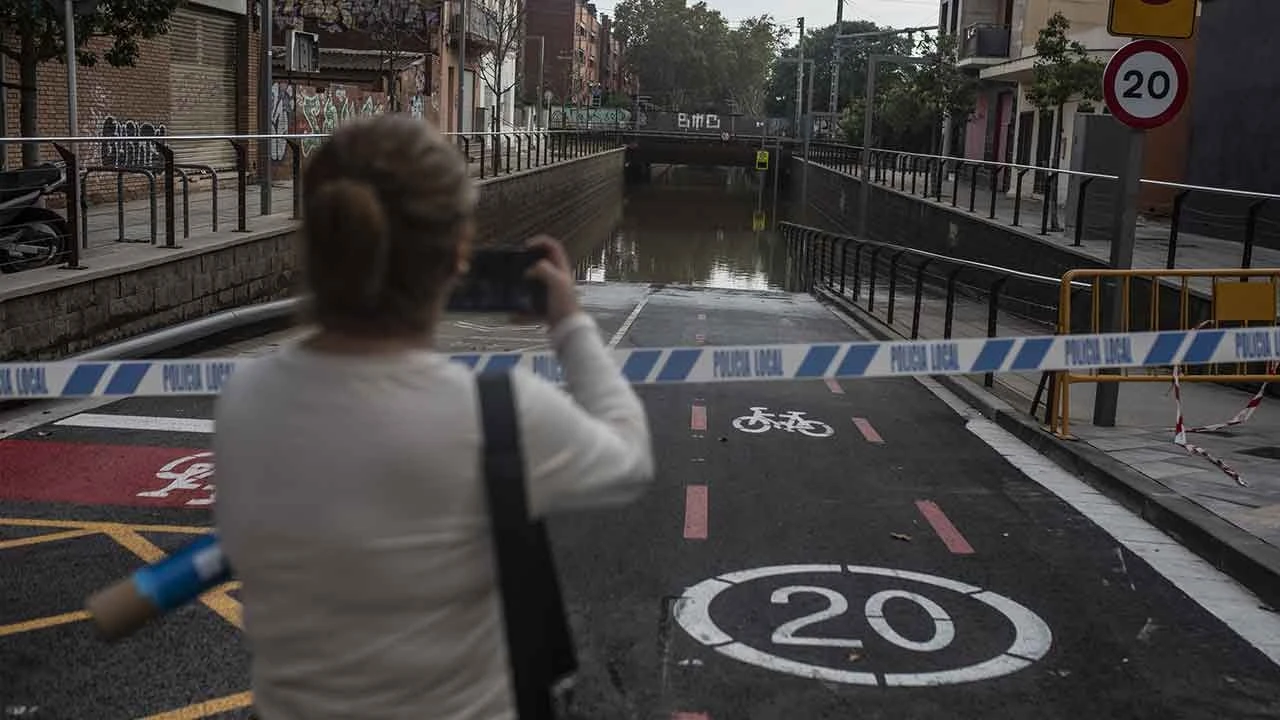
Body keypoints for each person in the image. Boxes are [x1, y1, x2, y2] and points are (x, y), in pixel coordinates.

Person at [212, 113, 655, 719]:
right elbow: (629, 458)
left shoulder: (245, 398)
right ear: (458, 259)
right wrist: (570, 324)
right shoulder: (498, 414)